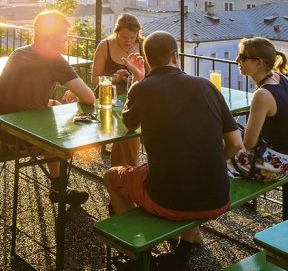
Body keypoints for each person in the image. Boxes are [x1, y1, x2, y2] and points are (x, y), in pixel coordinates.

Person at [104, 31, 243, 270]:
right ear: (175, 56)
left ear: (147, 60)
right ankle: (182, 252)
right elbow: (236, 143)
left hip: (168, 200)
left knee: (111, 177)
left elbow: (128, 125)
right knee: (188, 168)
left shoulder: (144, 88)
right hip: (219, 196)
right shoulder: (206, 85)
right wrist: (217, 160)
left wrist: (139, 80)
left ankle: (138, 250)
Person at [0, 11, 96, 207]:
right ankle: (59, 185)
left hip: (0, 129)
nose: (67, 37)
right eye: (63, 33)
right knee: (60, 131)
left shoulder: (19, 53)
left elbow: (20, 97)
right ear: (50, 35)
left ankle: (57, 185)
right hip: (20, 138)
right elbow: (89, 97)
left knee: (54, 109)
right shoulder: (53, 58)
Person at [226, 37, 288, 182]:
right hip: (286, 160)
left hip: (270, 166)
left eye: (243, 57)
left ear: (259, 63)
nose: (237, 60)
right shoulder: (279, 78)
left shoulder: (262, 95)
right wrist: (287, 125)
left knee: (217, 145)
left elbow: (249, 143)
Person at [91, 13, 144, 166]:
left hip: (134, 95)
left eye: (132, 37)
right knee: (127, 128)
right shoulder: (105, 46)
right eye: (124, 37)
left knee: (126, 128)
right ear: (116, 33)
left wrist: (133, 76)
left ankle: (120, 174)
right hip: (108, 98)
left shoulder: (142, 45)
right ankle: (132, 170)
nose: (129, 42)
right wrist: (112, 79)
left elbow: (148, 76)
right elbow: (94, 78)